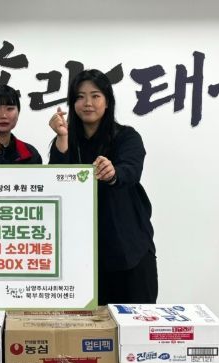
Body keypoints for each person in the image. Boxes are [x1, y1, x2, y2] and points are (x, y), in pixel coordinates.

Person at [48, 69, 157, 305]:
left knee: (136, 321)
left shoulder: (126, 136)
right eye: (80, 97)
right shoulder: (66, 139)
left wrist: (113, 172)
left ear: (107, 101)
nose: (87, 103)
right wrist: (62, 138)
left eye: (95, 96)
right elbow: (56, 183)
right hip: (83, 256)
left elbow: (131, 170)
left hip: (129, 249)